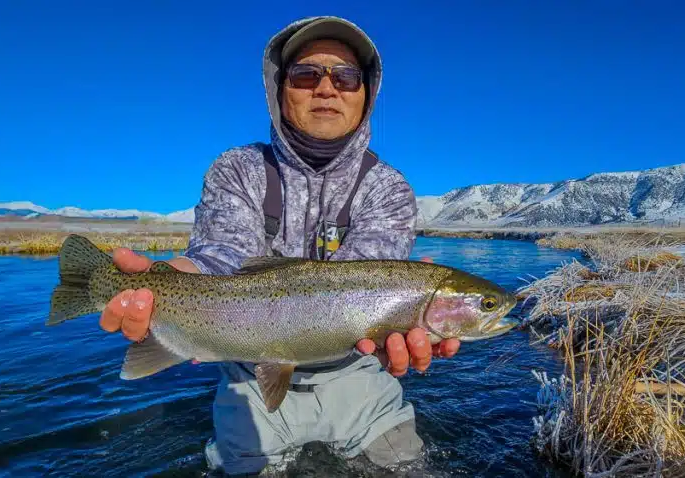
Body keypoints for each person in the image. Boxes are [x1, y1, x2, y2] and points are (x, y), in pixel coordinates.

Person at [96, 16, 460, 475]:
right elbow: (220, 257)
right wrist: (168, 283)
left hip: (360, 377)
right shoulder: (238, 169)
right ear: (278, 89)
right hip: (247, 377)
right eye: (306, 74)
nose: (326, 88)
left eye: (346, 77)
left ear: (367, 95)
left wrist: (402, 317)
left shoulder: (388, 189)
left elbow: (361, 287)